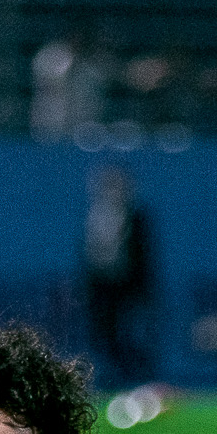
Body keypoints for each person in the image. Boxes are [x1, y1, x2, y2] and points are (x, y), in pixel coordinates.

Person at [81, 164, 154, 383]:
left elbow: (144, 257)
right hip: (102, 290)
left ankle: (135, 378)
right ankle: (109, 376)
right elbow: (88, 256)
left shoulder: (137, 217)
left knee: (132, 336)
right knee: (104, 335)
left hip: (128, 289)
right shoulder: (95, 217)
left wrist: (144, 290)